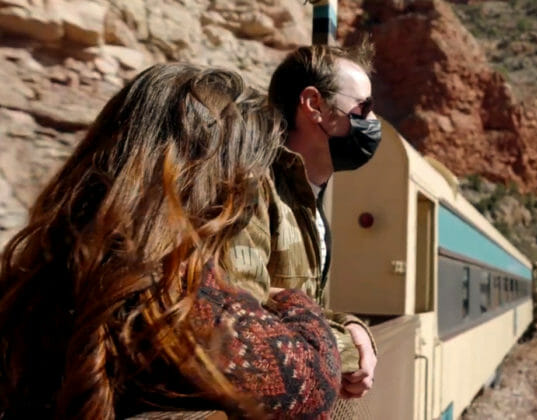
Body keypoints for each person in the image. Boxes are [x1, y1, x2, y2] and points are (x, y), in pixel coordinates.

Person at [0, 63, 341, 419]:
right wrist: (292, 300)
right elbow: (314, 385)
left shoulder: (38, 274)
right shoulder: (180, 303)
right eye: (247, 178)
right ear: (212, 182)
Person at [224, 42, 381, 399]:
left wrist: (350, 325)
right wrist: (348, 349)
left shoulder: (307, 201)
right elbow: (240, 309)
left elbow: (299, 305)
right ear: (313, 105)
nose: (373, 123)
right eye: (364, 108)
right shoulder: (252, 187)